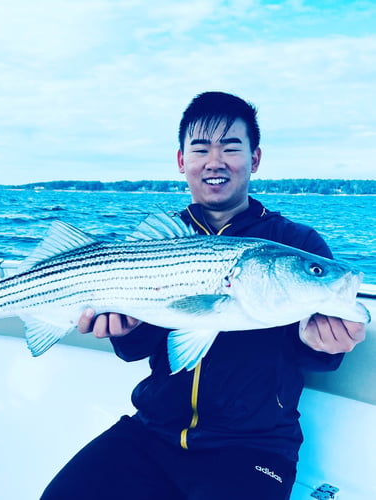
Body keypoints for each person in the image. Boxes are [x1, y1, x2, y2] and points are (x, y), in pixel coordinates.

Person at [40, 92, 366, 500]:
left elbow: (316, 353)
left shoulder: (295, 242)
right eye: (200, 149)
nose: (216, 161)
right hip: (153, 432)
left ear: (255, 158)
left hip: (254, 451)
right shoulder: (154, 243)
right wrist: (124, 330)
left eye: (231, 147)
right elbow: (137, 349)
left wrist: (323, 346)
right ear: (182, 162)